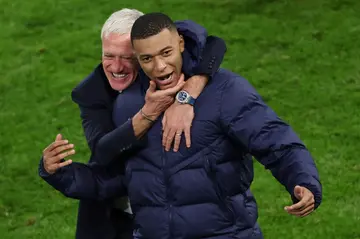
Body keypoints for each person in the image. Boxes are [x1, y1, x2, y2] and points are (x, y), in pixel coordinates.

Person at [41, 12, 322, 239]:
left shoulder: (226, 91)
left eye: (165, 53)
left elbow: (276, 141)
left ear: (181, 44)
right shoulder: (127, 105)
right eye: (147, 59)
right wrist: (59, 173)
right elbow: (117, 177)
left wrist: (303, 181)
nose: (160, 66)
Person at [39, 9, 227, 239]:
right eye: (109, 55)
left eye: (127, 58)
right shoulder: (91, 93)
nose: (116, 67)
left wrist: (191, 89)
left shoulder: (165, 58)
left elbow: (214, 45)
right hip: (117, 214)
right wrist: (147, 115)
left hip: (182, 211)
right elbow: (103, 151)